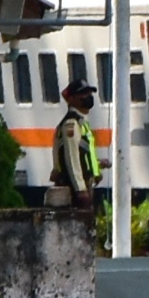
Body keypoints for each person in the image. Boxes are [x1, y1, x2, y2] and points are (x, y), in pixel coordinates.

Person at [49, 77, 100, 211]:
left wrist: (97, 170)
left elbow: (84, 153)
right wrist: (80, 189)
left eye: (89, 94)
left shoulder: (81, 122)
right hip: (74, 187)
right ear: (71, 99)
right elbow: (72, 157)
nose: (88, 97)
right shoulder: (71, 123)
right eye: (83, 94)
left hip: (85, 182)